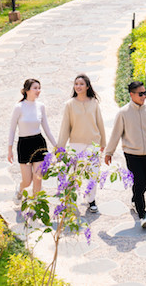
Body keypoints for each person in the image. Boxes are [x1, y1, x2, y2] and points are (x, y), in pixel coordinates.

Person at [104, 81, 146, 228]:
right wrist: (109, 152)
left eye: (145, 93)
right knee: (139, 182)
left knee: (145, 182)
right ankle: (142, 214)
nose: (144, 96)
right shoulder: (123, 113)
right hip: (132, 154)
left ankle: (135, 200)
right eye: (140, 94)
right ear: (131, 94)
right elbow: (115, 134)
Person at [58, 74, 107, 213]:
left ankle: (91, 200)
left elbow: (100, 123)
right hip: (76, 144)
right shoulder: (70, 104)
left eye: (81, 84)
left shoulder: (94, 103)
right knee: (74, 174)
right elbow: (65, 127)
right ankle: (72, 199)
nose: (78, 86)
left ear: (87, 86)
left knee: (93, 173)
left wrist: (103, 143)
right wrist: (60, 147)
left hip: (93, 143)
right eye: (76, 84)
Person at [7, 79, 57, 200]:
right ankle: (19, 189)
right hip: (24, 144)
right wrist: (10, 150)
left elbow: (47, 129)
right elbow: (12, 129)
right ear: (27, 90)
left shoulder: (41, 106)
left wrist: (57, 146)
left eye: (39, 88)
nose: (38, 91)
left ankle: (35, 206)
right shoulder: (19, 107)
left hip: (39, 143)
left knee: (38, 177)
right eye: (35, 88)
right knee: (27, 181)